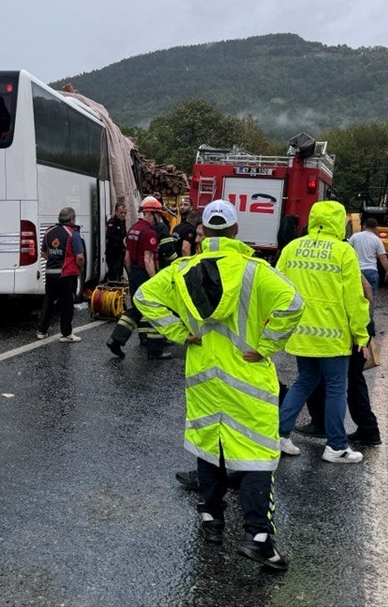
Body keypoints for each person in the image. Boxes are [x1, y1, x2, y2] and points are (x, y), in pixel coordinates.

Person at [136, 199, 303, 570]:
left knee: (209, 444)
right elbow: (293, 304)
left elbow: (143, 296)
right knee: (258, 455)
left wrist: (180, 333)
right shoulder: (254, 271)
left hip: (204, 376)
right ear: (235, 231)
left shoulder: (183, 270)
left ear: (203, 233)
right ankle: (259, 536)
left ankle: (212, 519)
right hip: (247, 378)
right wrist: (266, 346)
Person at [275, 201, 371, 464]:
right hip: (333, 336)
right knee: (337, 387)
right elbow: (354, 297)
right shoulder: (343, 251)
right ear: (340, 222)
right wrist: (361, 334)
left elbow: (277, 287)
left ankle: (280, 435)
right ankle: (336, 446)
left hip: (301, 332)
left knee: (304, 381)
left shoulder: (292, 248)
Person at [294, 276, 382, 445]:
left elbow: (365, 289)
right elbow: (367, 289)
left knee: (322, 376)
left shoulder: (337, 260)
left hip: (343, 330)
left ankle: (321, 423)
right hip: (354, 328)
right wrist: (368, 322)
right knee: (353, 379)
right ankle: (367, 428)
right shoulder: (342, 259)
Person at [106, 196, 171, 360]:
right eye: (159, 215)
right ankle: (155, 351)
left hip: (133, 272)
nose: (160, 219)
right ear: (152, 214)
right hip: (145, 274)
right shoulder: (150, 233)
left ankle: (116, 339)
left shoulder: (133, 229)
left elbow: (127, 257)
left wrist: (132, 274)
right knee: (155, 308)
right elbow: (149, 259)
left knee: (136, 307)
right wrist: (155, 281)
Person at [36, 207, 86, 342]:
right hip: (67, 274)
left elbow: (44, 253)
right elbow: (80, 257)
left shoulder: (49, 232)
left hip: (50, 273)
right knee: (67, 303)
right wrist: (80, 269)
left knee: (48, 301)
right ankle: (66, 334)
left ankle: (42, 330)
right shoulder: (73, 234)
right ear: (72, 219)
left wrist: (54, 260)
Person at [348, 218, 388, 303]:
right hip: (371, 271)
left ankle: (357, 315)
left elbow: (348, 252)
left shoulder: (355, 237)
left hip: (357, 271)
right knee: (371, 298)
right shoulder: (377, 240)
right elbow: (383, 257)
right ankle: (369, 316)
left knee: (356, 297)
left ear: (364, 226)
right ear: (376, 228)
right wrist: (387, 271)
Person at [103, 201, 128, 283]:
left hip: (120, 253)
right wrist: (123, 241)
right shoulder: (112, 222)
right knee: (113, 274)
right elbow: (110, 236)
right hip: (113, 253)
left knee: (120, 273)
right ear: (116, 212)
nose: (123, 215)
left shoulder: (122, 222)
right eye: (121, 212)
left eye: (125, 213)